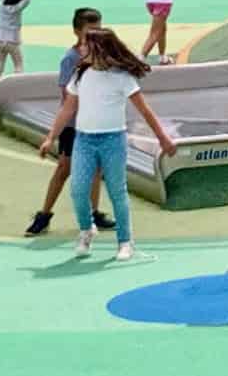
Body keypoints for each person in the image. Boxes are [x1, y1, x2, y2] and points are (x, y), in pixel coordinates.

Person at [37, 27, 177, 263]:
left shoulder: (122, 77)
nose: (80, 48)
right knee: (78, 189)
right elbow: (68, 109)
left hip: (113, 139)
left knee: (116, 191)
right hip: (84, 139)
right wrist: (51, 136)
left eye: (85, 45)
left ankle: (125, 241)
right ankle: (86, 229)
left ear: (98, 48)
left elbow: (144, 110)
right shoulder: (80, 75)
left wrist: (163, 138)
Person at [25, 6, 115, 237]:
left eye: (98, 29)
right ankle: (44, 215)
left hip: (95, 123)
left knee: (96, 169)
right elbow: (67, 97)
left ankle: (94, 213)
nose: (95, 34)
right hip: (74, 125)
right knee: (64, 168)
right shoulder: (71, 58)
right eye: (90, 30)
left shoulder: (102, 54)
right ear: (77, 31)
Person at [0, 0, 36, 90]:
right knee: (18, 65)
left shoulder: (2, 4)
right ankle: (17, 90)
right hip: (12, 41)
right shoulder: (17, 7)